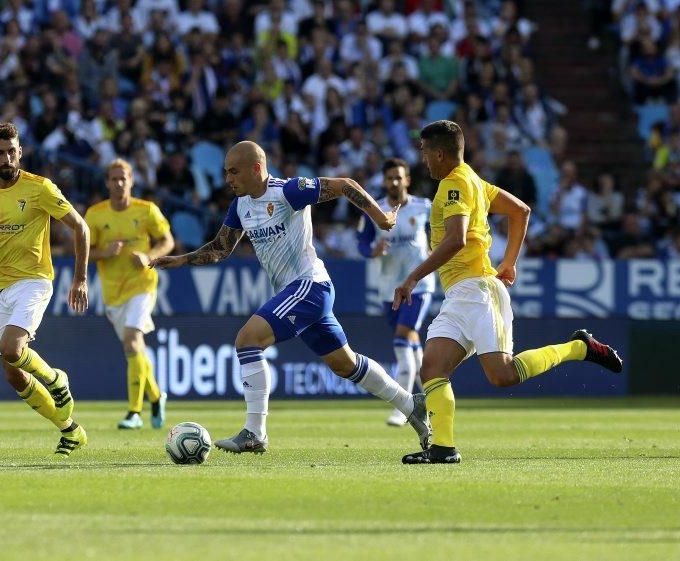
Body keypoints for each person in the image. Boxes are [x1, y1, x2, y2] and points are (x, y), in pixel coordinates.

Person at [152, 141, 432, 455]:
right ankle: (411, 405)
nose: (228, 179)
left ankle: (254, 432)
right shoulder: (241, 205)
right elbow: (220, 248)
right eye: (225, 172)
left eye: (234, 171)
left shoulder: (288, 191)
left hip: (308, 285)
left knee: (247, 340)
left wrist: (379, 217)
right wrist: (181, 260)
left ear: (256, 169)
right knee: (345, 364)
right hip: (300, 292)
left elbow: (344, 185)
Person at [392, 121, 623, 464]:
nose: (423, 159)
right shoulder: (474, 180)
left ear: (439, 153)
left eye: (425, 151)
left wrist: (412, 277)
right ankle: (443, 449)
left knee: (502, 375)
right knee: (432, 368)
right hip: (459, 294)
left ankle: (579, 347)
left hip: (478, 291)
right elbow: (521, 211)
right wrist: (510, 262)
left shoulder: (453, 185)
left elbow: (456, 239)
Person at [0, 122, 90, 457]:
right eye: (0, 152)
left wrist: (80, 278)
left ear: (20, 151)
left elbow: (81, 227)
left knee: (11, 347)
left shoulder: (41, 188)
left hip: (34, 280)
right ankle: (70, 430)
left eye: (12, 151)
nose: (7, 158)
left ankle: (56, 380)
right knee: (13, 375)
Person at [85, 158, 174, 430]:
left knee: (132, 341)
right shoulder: (96, 214)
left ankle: (134, 412)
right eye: (114, 179)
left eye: (124, 178)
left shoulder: (147, 210)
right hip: (114, 293)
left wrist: (149, 256)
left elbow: (168, 241)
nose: (119, 183)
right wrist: (104, 253)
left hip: (142, 285)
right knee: (135, 349)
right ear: (107, 183)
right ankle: (157, 397)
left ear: (132, 181)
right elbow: (84, 252)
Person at [356, 158, 435, 427]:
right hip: (387, 288)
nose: (394, 182)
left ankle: (403, 408)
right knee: (411, 345)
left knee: (403, 337)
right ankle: (432, 401)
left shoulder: (424, 207)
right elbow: (362, 243)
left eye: (398, 177)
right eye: (389, 178)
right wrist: (372, 251)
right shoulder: (373, 210)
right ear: (383, 181)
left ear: (407, 180)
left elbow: (440, 235)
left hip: (418, 285)